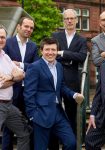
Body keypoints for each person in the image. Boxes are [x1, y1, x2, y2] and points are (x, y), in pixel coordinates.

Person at [23, 37, 84, 150]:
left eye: (53, 50)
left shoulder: (59, 66)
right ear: (42, 51)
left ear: (57, 51)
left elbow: (61, 87)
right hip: (41, 114)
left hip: (58, 112)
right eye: (47, 49)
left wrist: (74, 95)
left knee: (71, 143)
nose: (50, 52)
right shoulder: (34, 67)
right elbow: (28, 93)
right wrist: (32, 116)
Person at [2, 17, 39, 150]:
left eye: (31, 28)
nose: (28, 29)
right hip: (11, 91)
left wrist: (20, 65)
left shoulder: (33, 46)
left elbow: (35, 67)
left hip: (28, 93)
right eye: (26, 26)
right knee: (8, 128)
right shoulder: (7, 42)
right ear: (18, 27)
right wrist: (17, 70)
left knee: (28, 125)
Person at [52, 9, 87, 134]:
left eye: (72, 18)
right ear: (63, 21)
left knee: (71, 113)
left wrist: (63, 53)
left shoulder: (82, 40)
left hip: (72, 80)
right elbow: (51, 54)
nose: (69, 21)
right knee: (54, 109)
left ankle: (72, 140)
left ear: (77, 20)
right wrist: (72, 57)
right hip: (55, 77)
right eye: (66, 18)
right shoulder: (55, 36)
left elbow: (82, 57)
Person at [0, 24, 31, 150]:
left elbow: (22, 74)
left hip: (9, 106)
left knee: (25, 132)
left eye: (3, 37)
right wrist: (13, 78)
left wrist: (9, 78)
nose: (1, 39)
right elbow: (2, 84)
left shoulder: (5, 56)